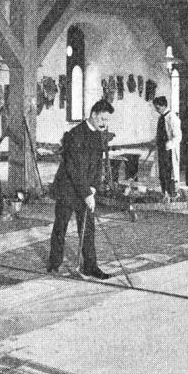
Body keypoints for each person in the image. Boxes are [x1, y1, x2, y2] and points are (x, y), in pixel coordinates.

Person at [45, 100, 115, 279]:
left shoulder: (98, 136)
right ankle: (54, 264)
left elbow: (97, 165)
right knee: (61, 226)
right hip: (67, 189)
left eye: (107, 120)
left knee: (88, 229)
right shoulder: (74, 134)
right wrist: (86, 193)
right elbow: (73, 168)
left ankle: (90, 266)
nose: (104, 123)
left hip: (85, 190)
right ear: (93, 114)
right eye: (102, 119)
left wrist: (93, 188)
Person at [151, 96, 180, 199]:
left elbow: (178, 136)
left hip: (169, 150)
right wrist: (156, 141)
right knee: (162, 173)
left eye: (158, 108)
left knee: (169, 172)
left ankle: (171, 194)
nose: (156, 110)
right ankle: (165, 193)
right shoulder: (161, 118)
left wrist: (168, 144)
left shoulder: (172, 118)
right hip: (161, 149)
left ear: (164, 105)